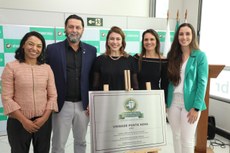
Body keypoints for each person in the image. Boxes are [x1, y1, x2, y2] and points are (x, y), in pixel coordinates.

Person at [46, 14, 97, 153]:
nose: (74, 30)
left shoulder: (92, 50)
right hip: (61, 104)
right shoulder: (52, 49)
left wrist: (92, 101)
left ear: (83, 30)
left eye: (78, 27)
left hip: (83, 105)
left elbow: (93, 77)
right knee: (58, 144)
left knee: (81, 142)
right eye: (71, 27)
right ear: (65, 29)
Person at [1, 31, 58, 153]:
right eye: (30, 44)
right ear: (23, 45)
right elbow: (7, 98)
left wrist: (44, 118)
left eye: (39, 46)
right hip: (18, 122)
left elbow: (53, 96)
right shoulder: (11, 67)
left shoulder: (47, 68)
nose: (34, 49)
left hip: (43, 121)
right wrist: (24, 121)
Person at [166, 23, 208, 153]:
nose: (184, 37)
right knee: (176, 136)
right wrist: (167, 103)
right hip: (173, 102)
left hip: (190, 104)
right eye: (181, 34)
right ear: (177, 37)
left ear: (192, 36)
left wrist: (196, 108)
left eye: (187, 34)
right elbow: (169, 81)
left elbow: (202, 82)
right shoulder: (173, 56)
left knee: (187, 140)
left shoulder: (200, 56)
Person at [93, 26, 138, 90]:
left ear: (122, 42)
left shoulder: (131, 60)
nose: (114, 42)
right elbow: (95, 86)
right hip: (105, 99)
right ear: (107, 41)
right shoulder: (99, 60)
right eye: (112, 38)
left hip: (125, 99)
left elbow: (135, 86)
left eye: (118, 39)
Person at [133, 29, 168, 97]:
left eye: (152, 39)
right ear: (143, 42)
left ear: (157, 41)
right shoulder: (136, 58)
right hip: (138, 97)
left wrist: (164, 102)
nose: (149, 42)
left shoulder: (163, 61)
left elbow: (165, 84)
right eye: (146, 39)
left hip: (155, 98)